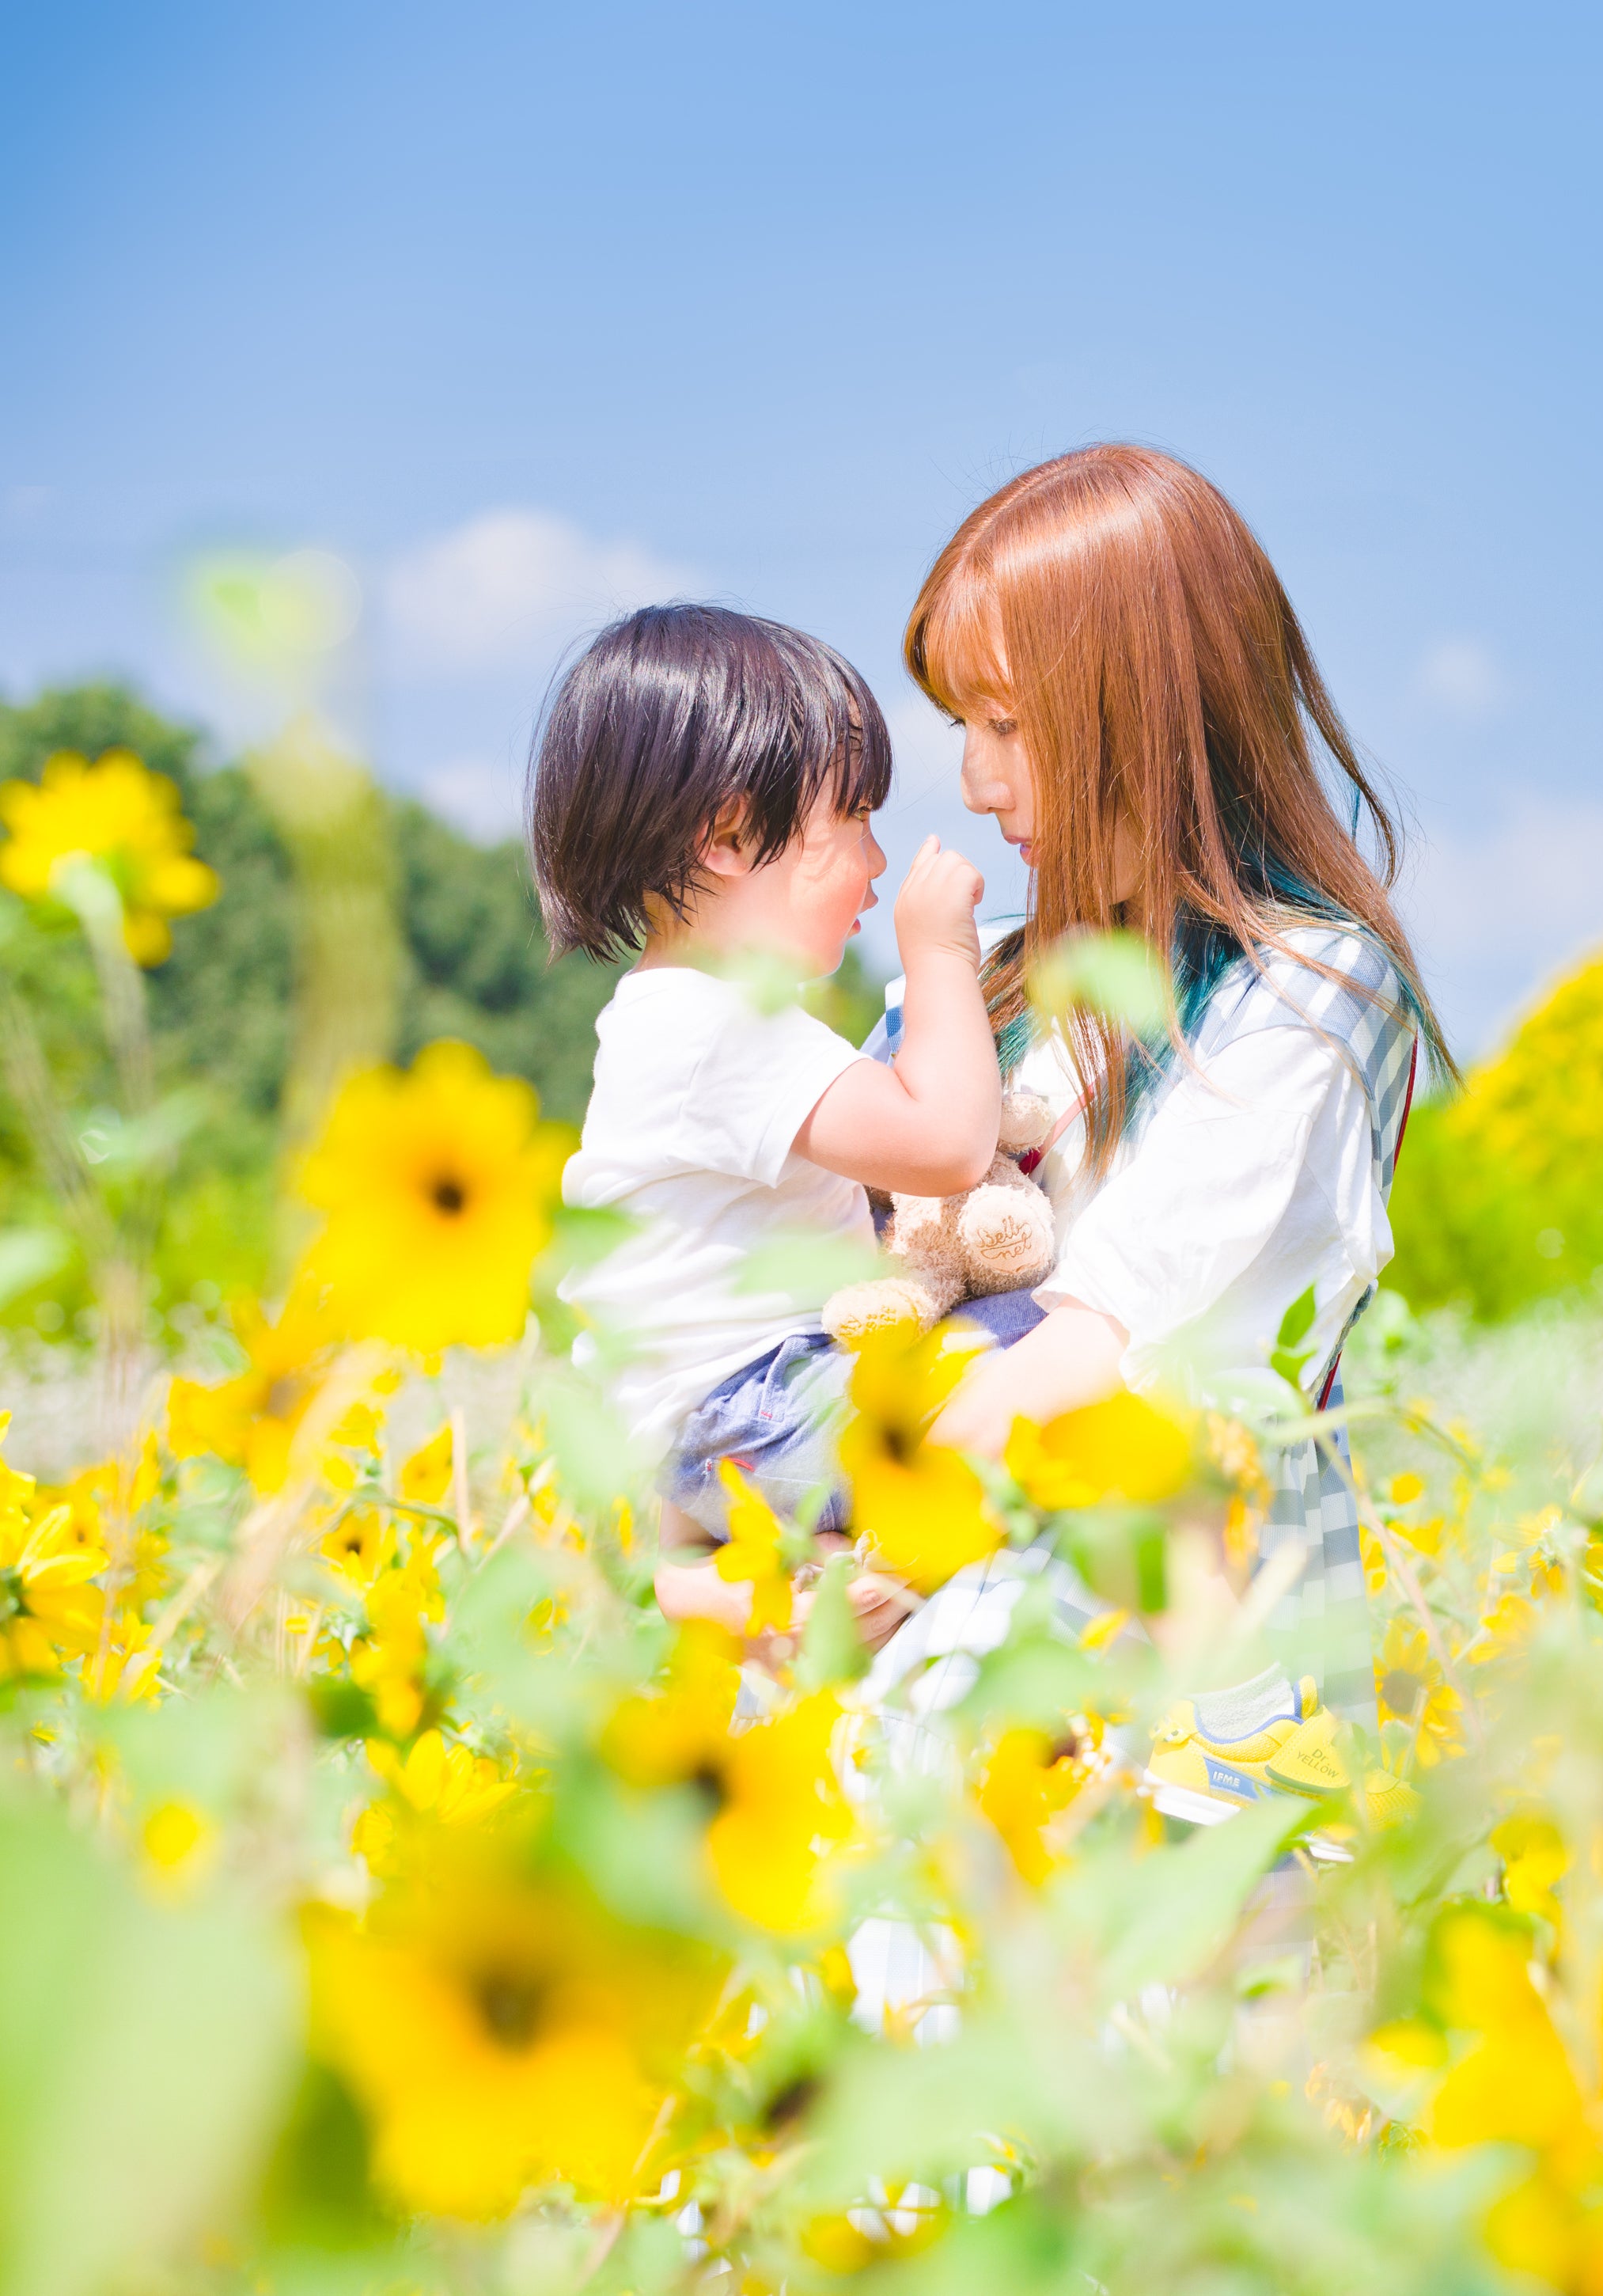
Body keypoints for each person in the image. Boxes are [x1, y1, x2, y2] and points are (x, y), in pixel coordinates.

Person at [886, 443, 1450, 1797]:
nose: (970, 779)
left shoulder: (1307, 991)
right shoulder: (983, 975)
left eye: (1009, 725)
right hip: (926, 1681)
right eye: (963, 724)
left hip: (1170, 1700)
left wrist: (851, 1505)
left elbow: (1103, 1363)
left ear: (1145, 708)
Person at [530, 604, 998, 1620]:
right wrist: (939, 957)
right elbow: (949, 1144)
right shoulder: (721, 1028)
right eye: (859, 820)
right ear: (731, 835)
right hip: (751, 1409)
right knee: (1035, 1351)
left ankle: (802, 1577)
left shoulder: (672, 1019)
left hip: (698, 1435)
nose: (879, 863)